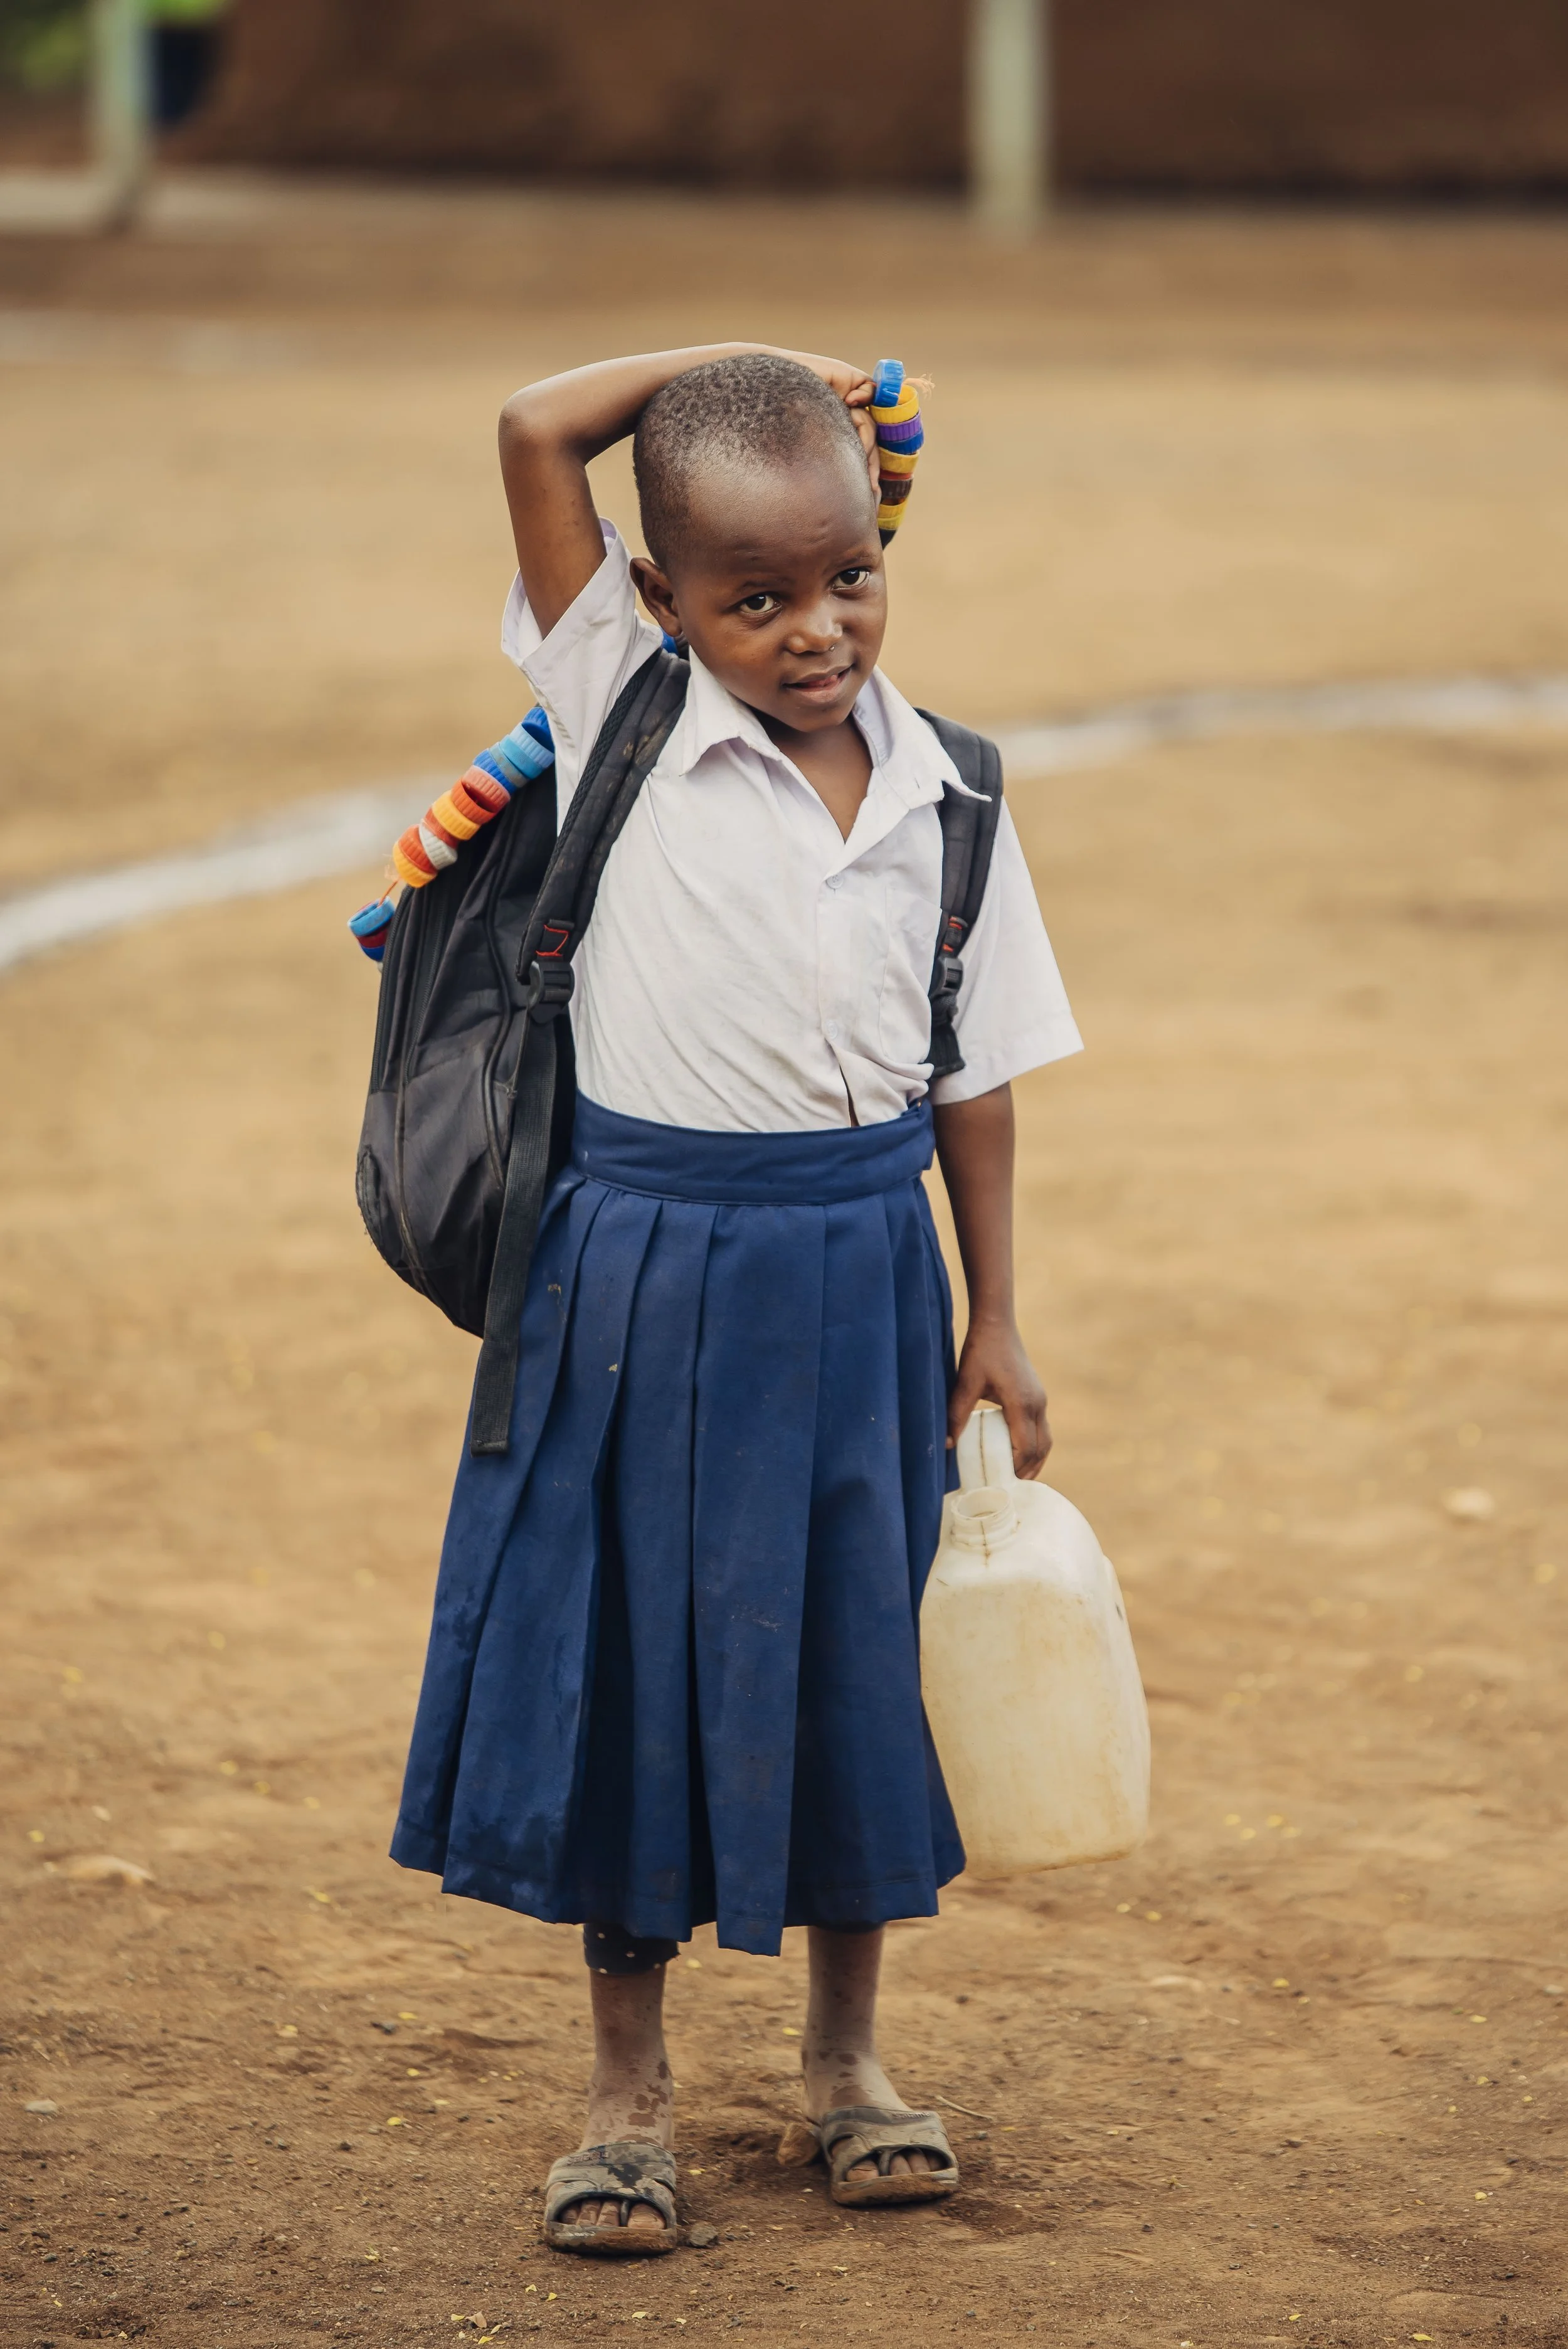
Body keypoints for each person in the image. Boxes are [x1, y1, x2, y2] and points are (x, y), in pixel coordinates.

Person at [389, 344, 1083, 2254]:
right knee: (631, 1662)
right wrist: (740, 372)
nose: (809, 630)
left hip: (866, 1270)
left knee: (855, 1658)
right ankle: (626, 2103)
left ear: (885, 551)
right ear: (660, 603)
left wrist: (993, 1315)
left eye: (843, 578)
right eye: (748, 597)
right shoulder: (616, 703)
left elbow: (977, 1079)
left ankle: (847, 2067)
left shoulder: (951, 793)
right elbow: (536, 425)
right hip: (637, 1270)